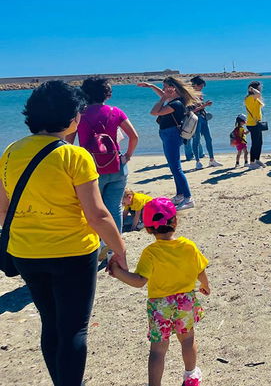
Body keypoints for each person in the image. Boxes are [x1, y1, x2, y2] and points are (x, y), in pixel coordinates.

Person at [0, 80, 128, 385]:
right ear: (73, 118)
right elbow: (97, 215)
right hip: (72, 253)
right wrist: (119, 250)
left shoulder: (10, 152)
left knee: (51, 323)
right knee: (74, 329)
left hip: (25, 252)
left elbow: (3, 210)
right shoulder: (75, 156)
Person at [108, 197, 210, 386]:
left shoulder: (151, 253)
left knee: (158, 350)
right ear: (176, 221)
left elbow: (139, 281)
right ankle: (191, 376)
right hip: (185, 300)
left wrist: (117, 272)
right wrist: (205, 285)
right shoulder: (188, 246)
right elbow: (200, 270)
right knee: (187, 341)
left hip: (160, 305)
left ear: (148, 229)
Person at [69, 76, 138, 261]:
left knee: (91, 211)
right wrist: (127, 157)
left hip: (90, 170)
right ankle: (114, 251)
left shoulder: (78, 114)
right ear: (106, 94)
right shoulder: (116, 112)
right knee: (114, 208)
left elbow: (68, 143)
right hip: (116, 166)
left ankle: (94, 247)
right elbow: (134, 136)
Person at [138, 77, 200, 210]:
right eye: (163, 87)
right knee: (173, 167)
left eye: (166, 86)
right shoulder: (175, 100)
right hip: (168, 134)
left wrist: (162, 98)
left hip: (171, 135)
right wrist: (151, 86)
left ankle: (188, 198)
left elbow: (154, 112)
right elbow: (162, 95)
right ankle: (180, 195)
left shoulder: (176, 104)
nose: (164, 89)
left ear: (173, 88)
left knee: (176, 168)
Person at [189, 76, 221, 169]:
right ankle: (197, 161)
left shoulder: (198, 95)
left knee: (208, 139)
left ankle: (212, 160)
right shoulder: (190, 96)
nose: (202, 88)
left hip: (203, 118)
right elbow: (192, 110)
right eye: (201, 86)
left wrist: (204, 105)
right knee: (196, 140)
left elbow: (199, 107)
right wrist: (205, 105)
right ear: (196, 85)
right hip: (196, 119)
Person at [244, 81, 265, 169]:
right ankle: (252, 162)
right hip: (252, 124)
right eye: (259, 87)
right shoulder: (249, 98)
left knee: (259, 142)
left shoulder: (255, 98)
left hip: (257, 123)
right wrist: (252, 89)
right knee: (255, 143)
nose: (260, 89)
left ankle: (257, 159)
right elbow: (259, 94)